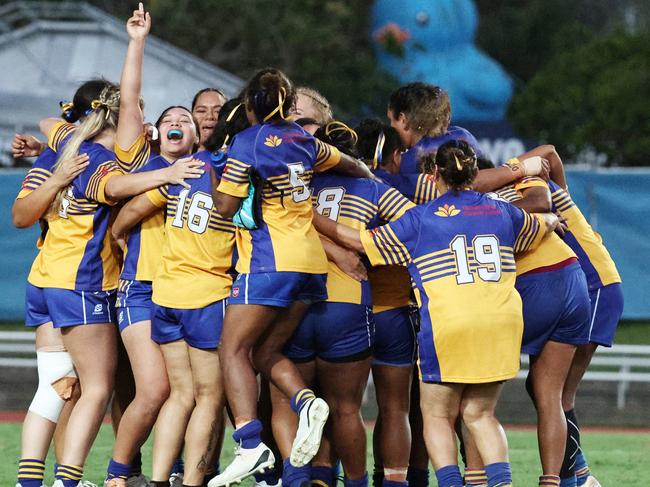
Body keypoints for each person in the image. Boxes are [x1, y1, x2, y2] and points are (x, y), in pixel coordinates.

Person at [312, 140, 561, 487]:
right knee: (481, 414)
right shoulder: (503, 211)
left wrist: (308, 214)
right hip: (500, 323)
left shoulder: (421, 219)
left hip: (449, 325)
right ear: (475, 173)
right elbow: (538, 227)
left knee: (437, 416)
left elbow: (357, 241)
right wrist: (551, 217)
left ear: (433, 175)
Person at [209, 67, 377, 486]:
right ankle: (306, 402)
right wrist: (372, 176)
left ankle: (249, 442)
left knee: (231, 349)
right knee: (266, 351)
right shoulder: (305, 140)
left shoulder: (247, 142)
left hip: (269, 261)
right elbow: (350, 164)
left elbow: (225, 208)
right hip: (310, 265)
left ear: (250, 105)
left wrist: (218, 165)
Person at [481, 151, 591, 487]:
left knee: (473, 397)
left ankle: (477, 480)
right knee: (550, 397)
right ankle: (552, 482)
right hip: (573, 278)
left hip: (533, 284)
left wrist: (488, 213)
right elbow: (543, 197)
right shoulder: (521, 181)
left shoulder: (471, 200)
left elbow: (541, 199)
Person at [532, 146, 623, 487]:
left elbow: (550, 153)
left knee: (555, 393)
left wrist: (511, 169)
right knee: (546, 388)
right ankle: (578, 475)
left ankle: (575, 479)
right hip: (589, 288)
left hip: (595, 288)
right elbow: (552, 154)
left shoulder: (534, 193)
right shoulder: (556, 192)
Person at [13, 146, 91, 487]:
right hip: (78, 280)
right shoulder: (59, 157)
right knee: (86, 386)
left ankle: (32, 482)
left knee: (62, 385)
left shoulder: (54, 150)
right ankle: (69, 481)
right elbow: (20, 215)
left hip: (50, 280)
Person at [355, 119, 421, 487]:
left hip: (345, 309)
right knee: (396, 409)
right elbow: (418, 228)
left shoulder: (334, 181)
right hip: (393, 311)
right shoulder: (403, 187)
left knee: (342, 409)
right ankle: (394, 481)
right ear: (395, 154)